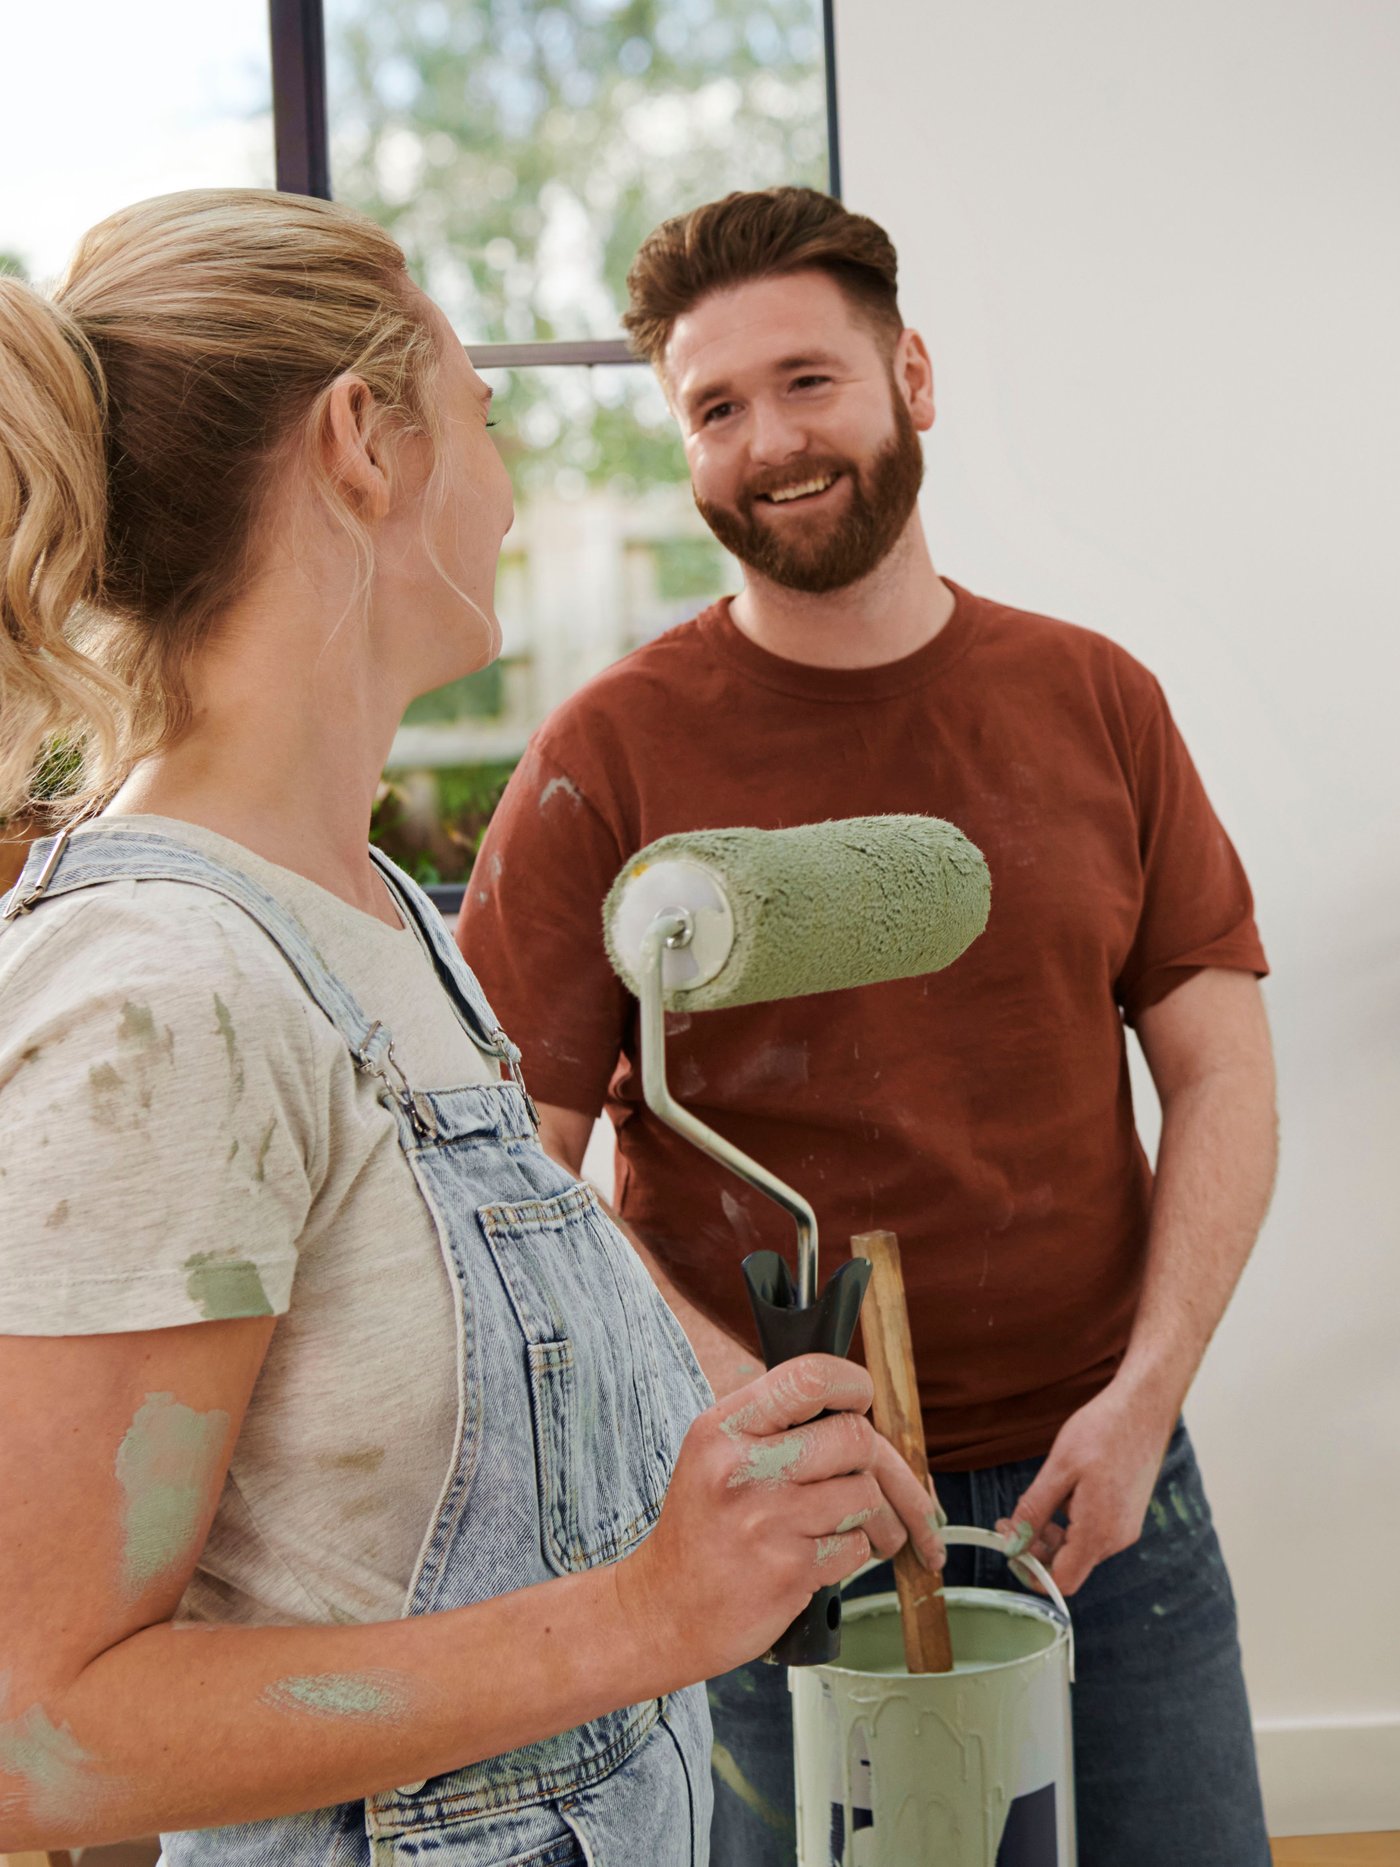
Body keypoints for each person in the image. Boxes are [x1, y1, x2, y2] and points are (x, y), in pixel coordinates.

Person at [0, 187, 945, 1864]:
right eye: (486, 415)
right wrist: (648, 1616)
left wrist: (705, 1458)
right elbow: (34, 1734)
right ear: (363, 442)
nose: (508, 494)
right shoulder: (162, 994)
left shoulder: (370, 917)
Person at [456, 187, 1279, 1866]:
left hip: (1101, 1481)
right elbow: (515, 1163)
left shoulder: (1095, 699)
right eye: (716, 407)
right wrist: (741, 1408)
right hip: (769, 1516)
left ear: (912, 376)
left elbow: (1222, 1073)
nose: (769, 442)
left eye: (808, 381)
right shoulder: (605, 757)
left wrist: (1146, 1398)